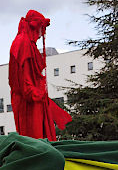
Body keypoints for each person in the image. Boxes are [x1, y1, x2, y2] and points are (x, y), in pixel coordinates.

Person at [8, 10, 71, 141]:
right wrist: (34, 93)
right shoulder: (23, 43)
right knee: (34, 136)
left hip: (32, 96)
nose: (43, 33)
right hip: (29, 99)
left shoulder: (26, 43)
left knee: (37, 136)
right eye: (42, 29)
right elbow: (23, 77)